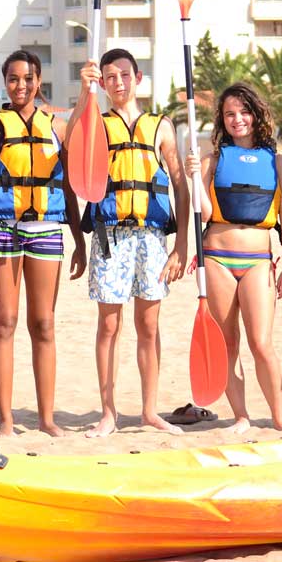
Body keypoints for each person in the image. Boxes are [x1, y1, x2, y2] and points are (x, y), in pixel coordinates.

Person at [0, 49, 86, 437]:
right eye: (13, 79)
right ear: (5, 81)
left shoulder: (57, 126)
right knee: (5, 323)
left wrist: (78, 238)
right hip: (2, 229)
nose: (21, 86)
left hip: (47, 229)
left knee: (44, 324)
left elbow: (68, 184)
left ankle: (46, 419)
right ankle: (6, 419)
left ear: (39, 81)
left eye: (28, 79)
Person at [66, 49, 190, 438]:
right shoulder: (95, 123)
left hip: (151, 238)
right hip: (110, 236)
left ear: (137, 77)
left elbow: (180, 185)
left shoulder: (161, 126)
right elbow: (70, 146)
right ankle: (108, 413)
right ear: (102, 83)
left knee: (149, 325)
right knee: (109, 325)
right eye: (109, 78)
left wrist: (181, 245)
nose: (117, 83)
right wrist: (84, 96)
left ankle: (150, 411)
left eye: (124, 75)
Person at [187, 83, 282, 434]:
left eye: (244, 112)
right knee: (228, 342)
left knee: (262, 342)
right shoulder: (212, 161)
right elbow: (203, 214)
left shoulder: (277, 162)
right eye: (230, 114)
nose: (238, 120)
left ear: (257, 114)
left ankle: (279, 417)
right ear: (221, 119)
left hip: (259, 262)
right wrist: (194, 179)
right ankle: (241, 416)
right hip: (217, 258)